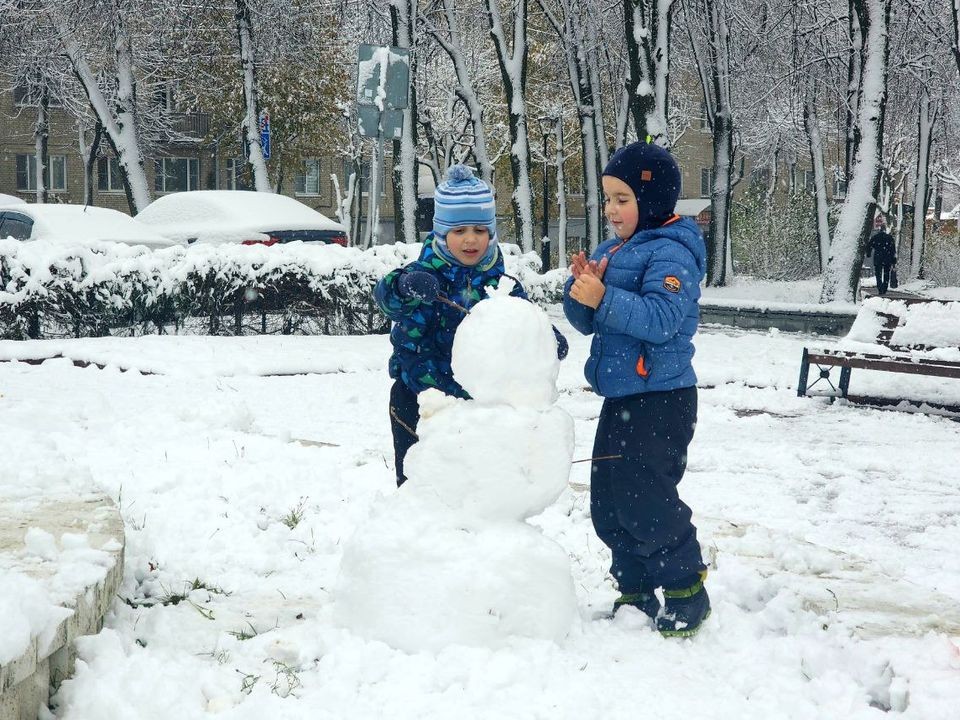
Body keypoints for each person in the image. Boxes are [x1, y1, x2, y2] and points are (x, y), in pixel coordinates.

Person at [562, 141, 710, 638]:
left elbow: (664, 320)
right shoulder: (612, 251)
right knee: (608, 499)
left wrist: (605, 298)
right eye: (607, 198)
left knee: (645, 496)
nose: (611, 210)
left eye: (622, 199)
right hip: (621, 397)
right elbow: (588, 323)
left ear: (652, 200)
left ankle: (686, 589)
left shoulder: (674, 251)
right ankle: (635, 588)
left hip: (662, 398)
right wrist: (582, 291)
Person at [374, 164, 568, 487]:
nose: (470, 239)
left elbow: (524, 321)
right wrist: (404, 286)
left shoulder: (501, 286)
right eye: (459, 230)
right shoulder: (422, 276)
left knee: (472, 490)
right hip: (418, 400)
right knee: (419, 485)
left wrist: (545, 340)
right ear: (441, 233)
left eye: (479, 230)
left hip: (476, 409)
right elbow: (386, 298)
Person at [867, 224, 897, 295]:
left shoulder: (875, 237)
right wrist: (893, 260)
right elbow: (893, 249)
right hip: (887, 258)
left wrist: (869, 253)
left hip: (878, 257)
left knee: (878, 273)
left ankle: (880, 287)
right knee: (886, 273)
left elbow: (869, 245)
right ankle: (885, 287)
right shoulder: (889, 238)